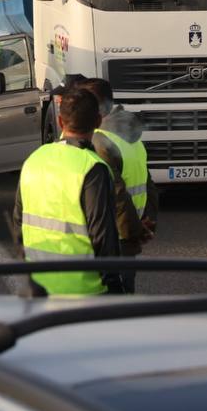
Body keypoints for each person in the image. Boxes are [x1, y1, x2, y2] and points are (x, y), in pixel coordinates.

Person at [13, 89, 122, 296]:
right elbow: (103, 235)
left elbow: (18, 223)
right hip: (85, 291)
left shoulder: (34, 160)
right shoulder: (93, 167)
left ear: (61, 122)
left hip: (39, 287)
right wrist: (114, 285)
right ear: (98, 122)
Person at [76, 79, 157, 287]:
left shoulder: (100, 142)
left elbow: (117, 194)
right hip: (128, 235)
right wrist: (147, 223)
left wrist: (134, 233)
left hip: (112, 237)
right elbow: (149, 185)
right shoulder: (130, 135)